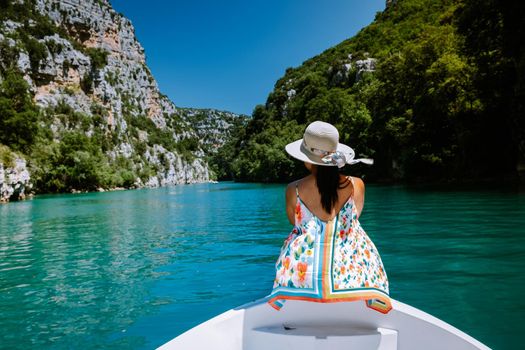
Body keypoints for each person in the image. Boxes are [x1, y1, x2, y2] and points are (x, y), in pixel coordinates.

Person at [267, 121, 391, 314]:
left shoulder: (294, 189)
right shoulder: (357, 185)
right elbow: (355, 216)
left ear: (307, 158)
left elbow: (294, 222)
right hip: (352, 276)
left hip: (302, 276)